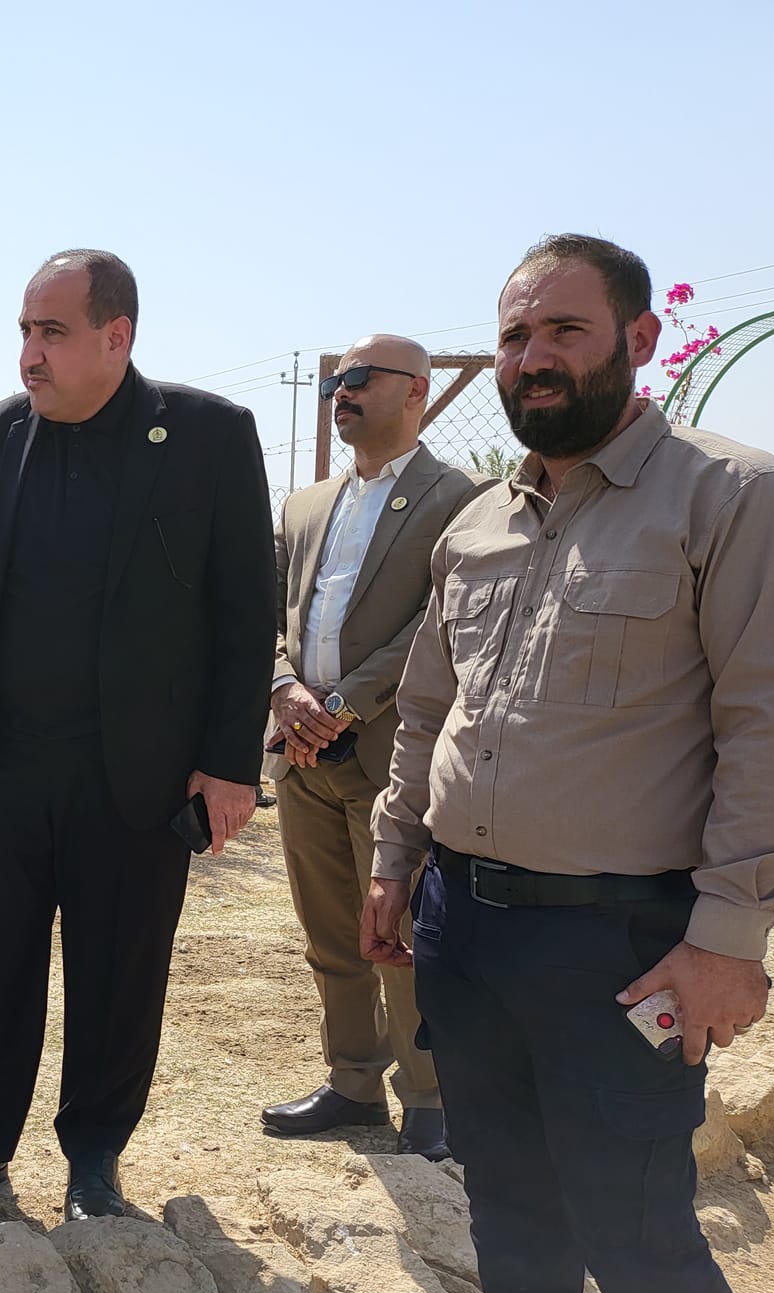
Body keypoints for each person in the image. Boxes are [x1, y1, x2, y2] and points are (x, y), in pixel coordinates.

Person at [364, 234, 774, 1293]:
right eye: (514, 337)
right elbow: (425, 713)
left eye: (563, 331)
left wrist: (728, 937)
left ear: (637, 340)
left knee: (639, 1230)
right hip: (467, 928)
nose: (534, 358)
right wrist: (396, 862)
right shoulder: (475, 526)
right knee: (506, 1193)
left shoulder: (734, 498)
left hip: (627, 945)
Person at [0, 249, 275, 1226]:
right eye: (24, 330)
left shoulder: (205, 434)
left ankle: (94, 1159)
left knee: (117, 973)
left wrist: (229, 764)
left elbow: (244, 609)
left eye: (50, 332)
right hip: (7, 767)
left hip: (137, 774)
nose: (29, 353)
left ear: (116, 336)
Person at [260, 334, 484, 1160]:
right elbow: (268, 614)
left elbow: (438, 621)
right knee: (329, 935)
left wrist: (345, 703)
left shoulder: (460, 498)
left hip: (393, 755)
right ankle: (353, 1083)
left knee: (402, 934)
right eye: (336, 383)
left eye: (359, 379)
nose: (341, 393)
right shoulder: (304, 507)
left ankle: (429, 1098)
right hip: (301, 754)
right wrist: (285, 689)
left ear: (416, 390)